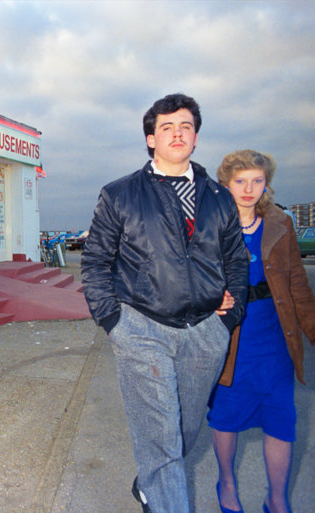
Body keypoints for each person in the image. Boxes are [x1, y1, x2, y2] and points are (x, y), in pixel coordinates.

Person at [81, 93, 249, 513]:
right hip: (141, 328)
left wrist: (230, 318)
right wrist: (113, 319)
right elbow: (96, 261)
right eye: (167, 127)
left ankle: (153, 482)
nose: (177, 133)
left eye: (186, 126)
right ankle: (163, 490)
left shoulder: (218, 197)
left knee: (183, 431)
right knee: (161, 438)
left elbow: (236, 262)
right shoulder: (119, 194)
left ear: (196, 138)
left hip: (206, 332)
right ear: (151, 139)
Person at [207, 150, 315, 513]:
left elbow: (298, 286)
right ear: (226, 184)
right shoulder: (209, 226)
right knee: (226, 417)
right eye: (240, 181)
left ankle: (278, 498)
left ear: (266, 183)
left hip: (274, 339)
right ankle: (227, 482)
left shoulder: (280, 223)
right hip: (231, 341)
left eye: (256, 180)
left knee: (281, 419)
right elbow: (189, 282)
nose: (249, 189)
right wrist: (209, 299)